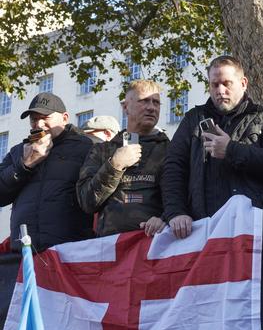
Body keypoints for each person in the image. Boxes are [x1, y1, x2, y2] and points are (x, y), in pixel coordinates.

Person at [161, 55, 263, 238]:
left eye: (227, 83)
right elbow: (174, 167)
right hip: (204, 228)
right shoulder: (193, 119)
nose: (220, 90)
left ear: (243, 83)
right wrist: (176, 211)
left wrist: (231, 150)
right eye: (214, 85)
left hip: (258, 227)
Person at [0, 93, 93, 251]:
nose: (39, 124)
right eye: (34, 119)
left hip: (70, 250)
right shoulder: (18, 152)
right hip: (24, 250)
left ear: (64, 118)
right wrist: (25, 164)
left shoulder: (87, 147)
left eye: (45, 117)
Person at [76, 80, 169, 237]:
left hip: (155, 245)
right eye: (144, 101)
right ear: (125, 107)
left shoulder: (171, 150)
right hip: (111, 249)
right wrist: (114, 166)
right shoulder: (102, 151)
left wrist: (165, 218)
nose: (151, 107)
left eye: (156, 102)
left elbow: (182, 198)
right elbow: (87, 202)